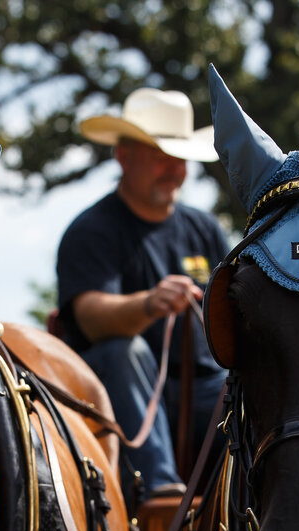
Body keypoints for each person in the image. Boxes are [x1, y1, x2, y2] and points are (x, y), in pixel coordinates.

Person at [55, 87, 229, 500]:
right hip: (118, 394)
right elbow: (91, 316)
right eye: (159, 155)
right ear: (123, 155)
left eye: (178, 157)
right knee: (125, 352)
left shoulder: (204, 229)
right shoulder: (92, 230)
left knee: (248, 386)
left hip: (205, 388)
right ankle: (161, 497)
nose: (173, 169)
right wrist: (149, 303)